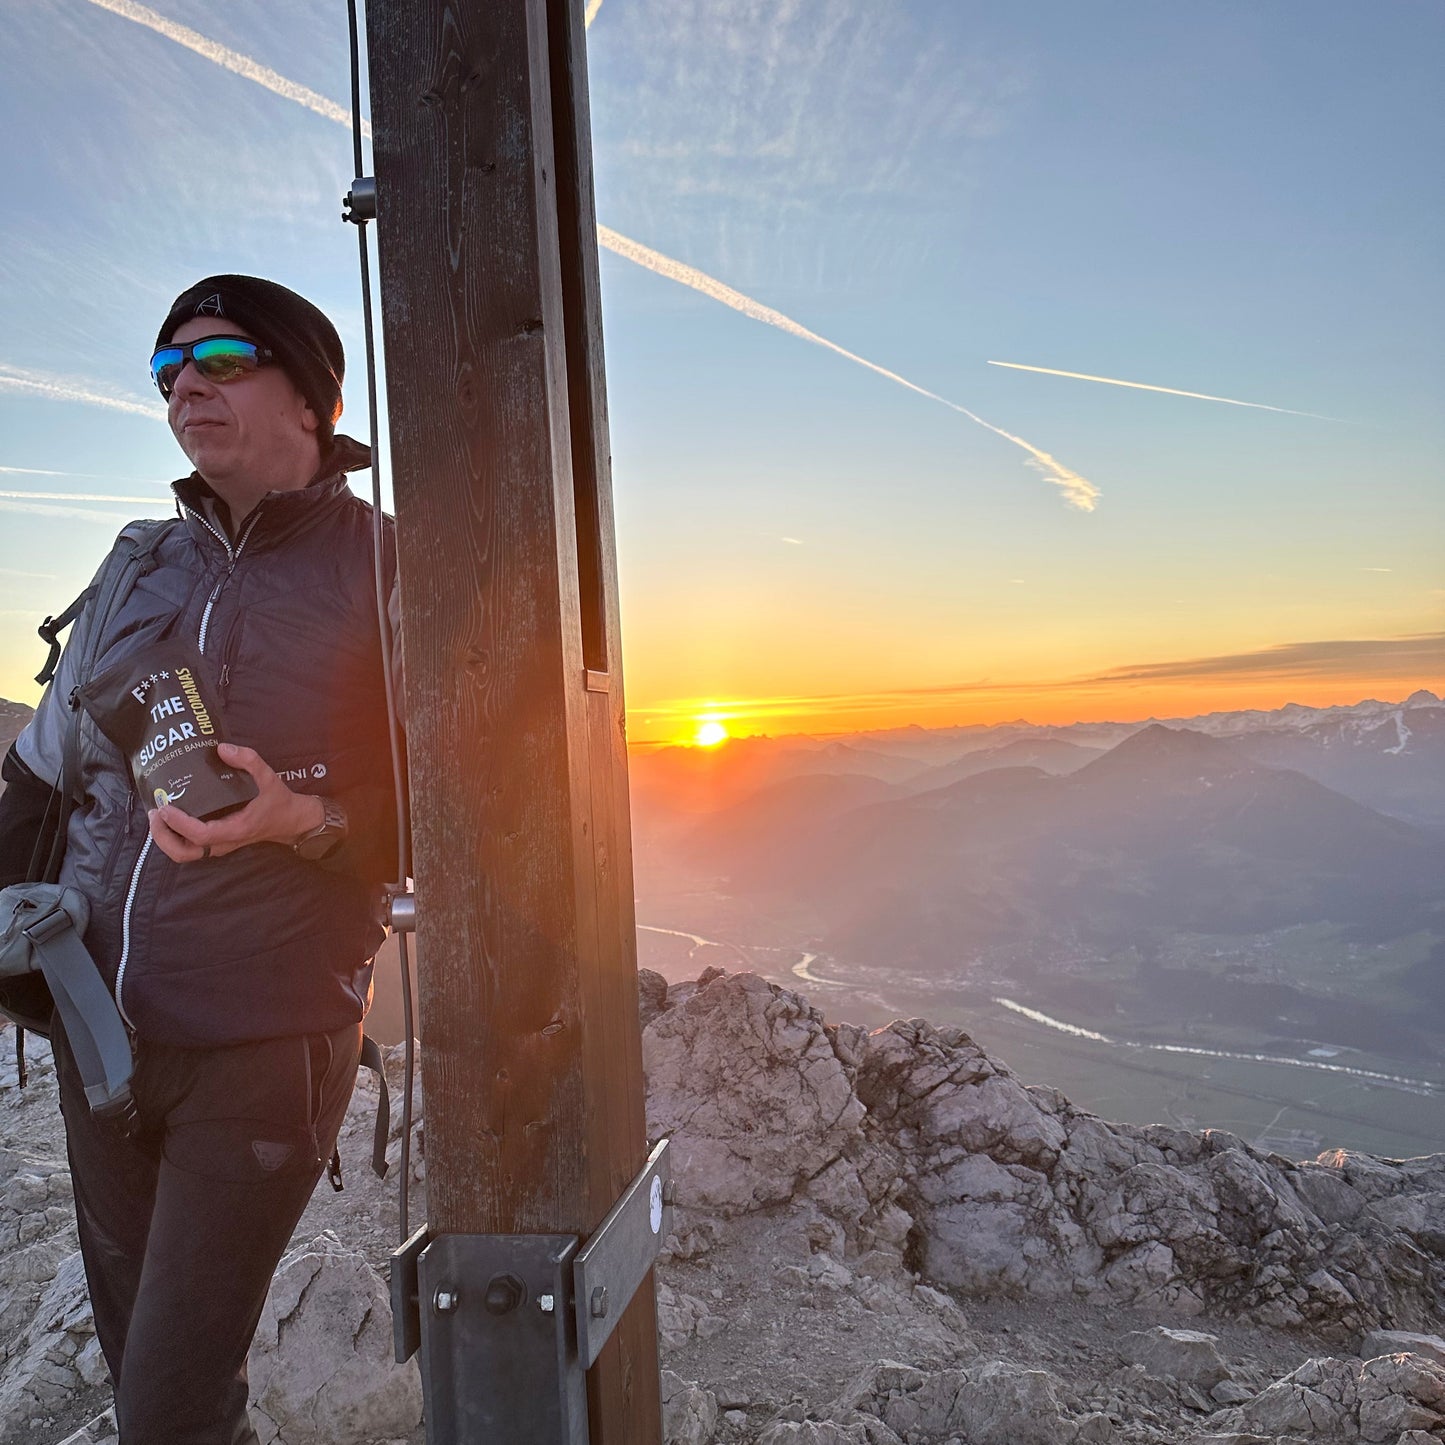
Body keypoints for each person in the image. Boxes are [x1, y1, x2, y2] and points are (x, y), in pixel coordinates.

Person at [0, 275, 402, 1444]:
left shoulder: (389, 570)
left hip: (265, 1042)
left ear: (313, 396)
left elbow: (473, 809)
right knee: (145, 1389)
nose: (186, 384)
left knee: (174, 1406)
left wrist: (301, 818)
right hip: (99, 1031)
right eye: (168, 368)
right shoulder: (138, 565)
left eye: (219, 357)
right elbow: (42, 764)